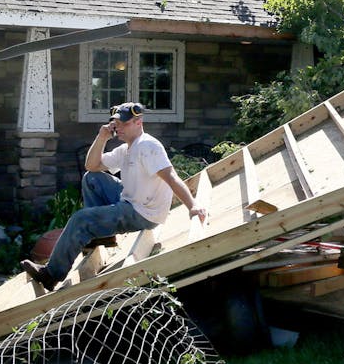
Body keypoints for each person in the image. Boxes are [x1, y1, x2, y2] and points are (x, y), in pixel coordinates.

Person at [22, 101, 207, 291]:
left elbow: (171, 177)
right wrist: (102, 137)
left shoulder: (148, 146)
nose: (119, 127)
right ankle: (102, 237)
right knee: (92, 178)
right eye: (116, 123)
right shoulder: (126, 149)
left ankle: (51, 275)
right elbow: (91, 166)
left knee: (80, 219)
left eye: (124, 123)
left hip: (143, 213)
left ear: (138, 122)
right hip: (130, 200)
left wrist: (193, 206)